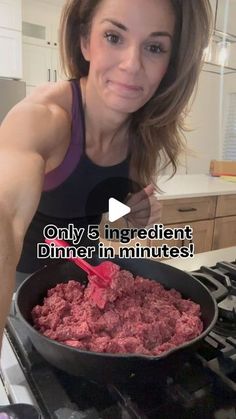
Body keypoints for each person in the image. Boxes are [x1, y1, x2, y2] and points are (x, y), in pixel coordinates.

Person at [0, 0, 212, 348]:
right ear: (85, 41)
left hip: (93, 279)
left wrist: (131, 212)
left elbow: (100, 211)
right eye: (114, 37)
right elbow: (4, 221)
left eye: (154, 47)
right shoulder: (42, 119)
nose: (132, 65)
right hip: (24, 289)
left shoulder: (143, 133)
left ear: (169, 65)